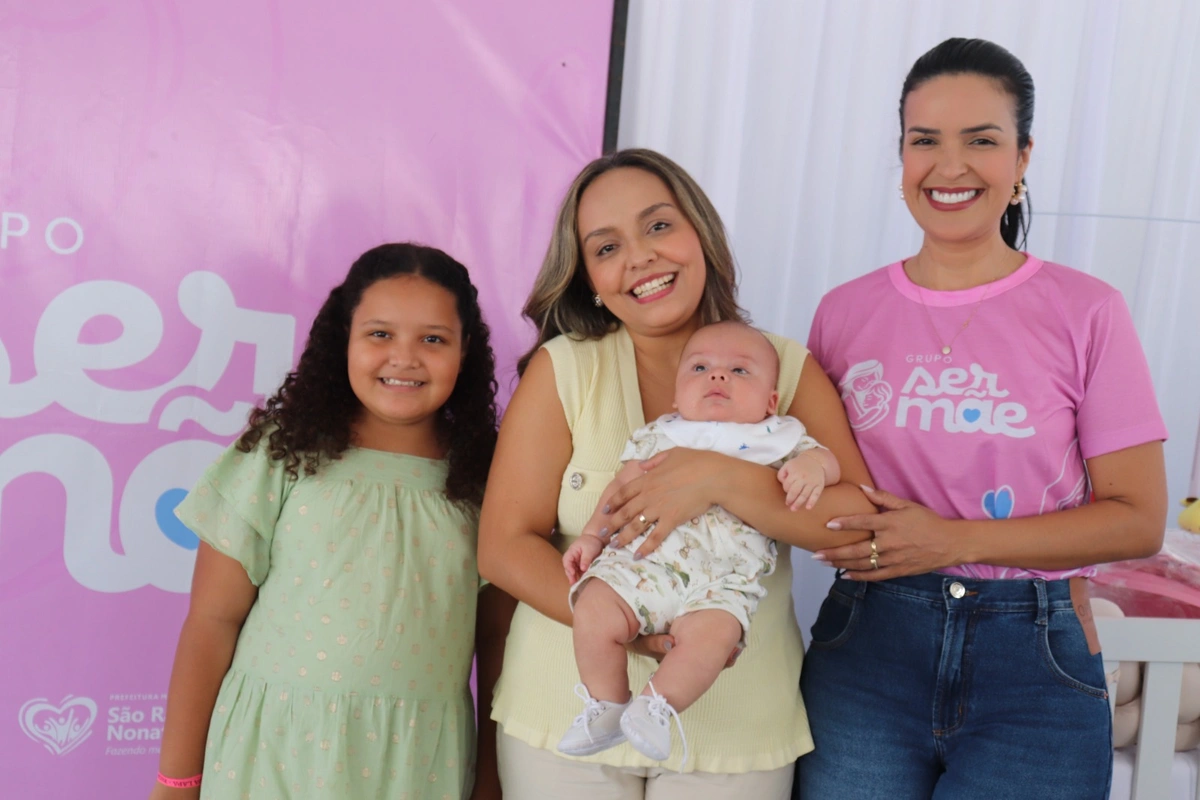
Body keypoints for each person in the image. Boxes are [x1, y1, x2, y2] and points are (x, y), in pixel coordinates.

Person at [795, 38, 1169, 799]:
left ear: (1023, 158)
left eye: (983, 140)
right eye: (924, 140)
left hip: (1033, 661)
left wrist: (957, 539)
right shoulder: (843, 314)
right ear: (900, 155)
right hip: (868, 648)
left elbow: (1137, 520)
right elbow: (817, 480)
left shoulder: (1087, 310)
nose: (950, 165)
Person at [478, 148, 874, 799]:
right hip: (562, 718)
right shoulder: (566, 369)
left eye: (659, 226)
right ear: (590, 280)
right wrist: (633, 634)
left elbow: (856, 528)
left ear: (700, 234)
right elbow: (503, 547)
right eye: (606, 248)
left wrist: (720, 480)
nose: (640, 257)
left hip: (737, 722)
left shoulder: (781, 366)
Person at [150, 243, 510, 800]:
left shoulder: (487, 477)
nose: (404, 358)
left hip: (418, 764)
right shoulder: (283, 452)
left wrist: (491, 782)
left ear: (466, 352)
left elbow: (496, 640)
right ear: (343, 339)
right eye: (380, 334)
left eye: (433, 339)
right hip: (271, 751)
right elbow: (212, 621)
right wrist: (177, 782)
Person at [559, 321, 840, 764]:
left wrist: (815, 468)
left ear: (770, 402)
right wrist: (593, 536)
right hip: (643, 566)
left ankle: (656, 707)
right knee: (593, 606)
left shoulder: (780, 440)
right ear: (676, 396)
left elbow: (828, 461)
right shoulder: (661, 436)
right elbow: (619, 491)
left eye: (740, 371)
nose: (718, 376)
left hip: (724, 582)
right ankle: (607, 705)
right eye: (701, 367)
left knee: (713, 638)